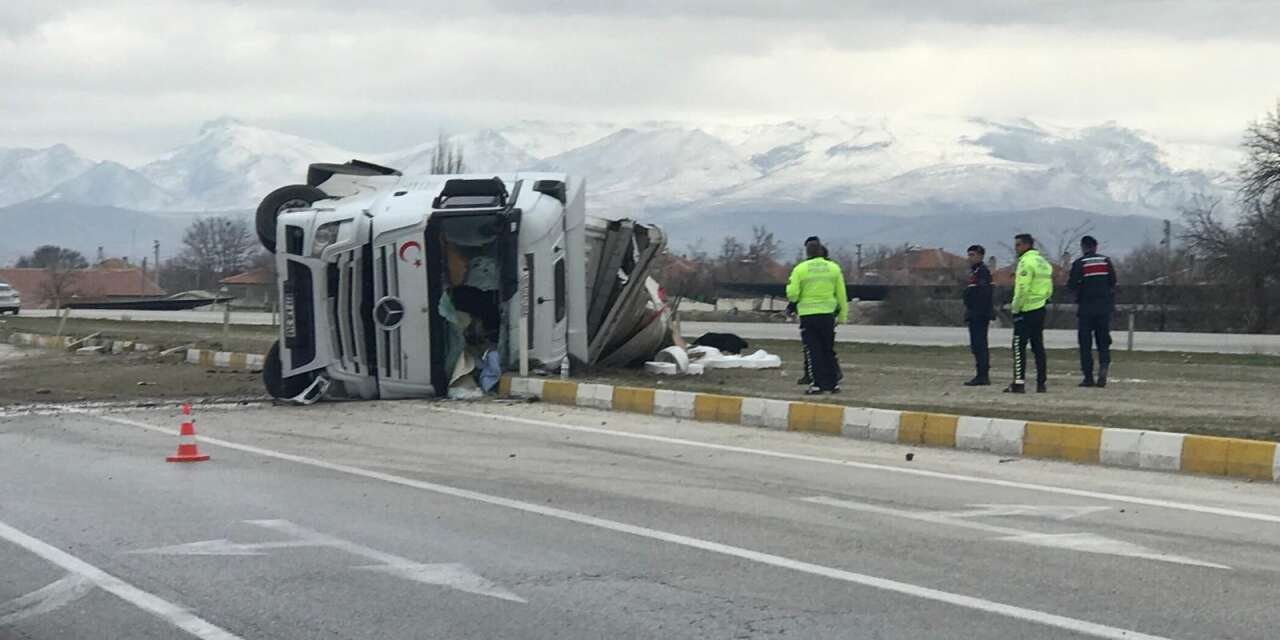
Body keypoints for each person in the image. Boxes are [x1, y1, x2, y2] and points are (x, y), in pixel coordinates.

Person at [787, 237, 848, 394]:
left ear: (807, 252)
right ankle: (833, 384)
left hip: (808, 315)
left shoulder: (800, 269)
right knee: (828, 349)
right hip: (827, 315)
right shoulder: (833, 268)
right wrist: (842, 316)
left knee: (813, 350)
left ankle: (816, 384)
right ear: (821, 250)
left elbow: (793, 294)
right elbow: (841, 294)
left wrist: (794, 300)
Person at [1067, 235, 1118, 388]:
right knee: (1103, 342)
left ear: (1083, 247)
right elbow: (1113, 281)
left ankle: (1088, 377)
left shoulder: (1079, 263)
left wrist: (1080, 293)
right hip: (1104, 309)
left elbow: (1071, 285)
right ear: (1096, 247)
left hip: (1086, 310)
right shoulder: (1105, 261)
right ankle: (1103, 368)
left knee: (1085, 344)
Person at [1005, 233, 1053, 394]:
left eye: (1018, 245)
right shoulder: (1044, 263)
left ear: (1026, 245)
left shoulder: (1026, 262)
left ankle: (1019, 383)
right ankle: (1041, 383)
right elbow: (1049, 287)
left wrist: (1015, 307)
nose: (1016, 248)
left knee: (1018, 346)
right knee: (1038, 346)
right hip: (1040, 308)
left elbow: (1022, 288)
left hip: (1026, 310)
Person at [962, 245, 993, 386]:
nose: (970, 258)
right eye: (969, 255)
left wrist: (978, 310)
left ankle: (983, 375)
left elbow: (983, 294)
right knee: (976, 345)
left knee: (980, 344)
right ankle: (980, 373)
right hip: (973, 313)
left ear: (980, 256)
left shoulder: (982, 272)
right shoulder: (974, 272)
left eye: (973, 255)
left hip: (979, 314)